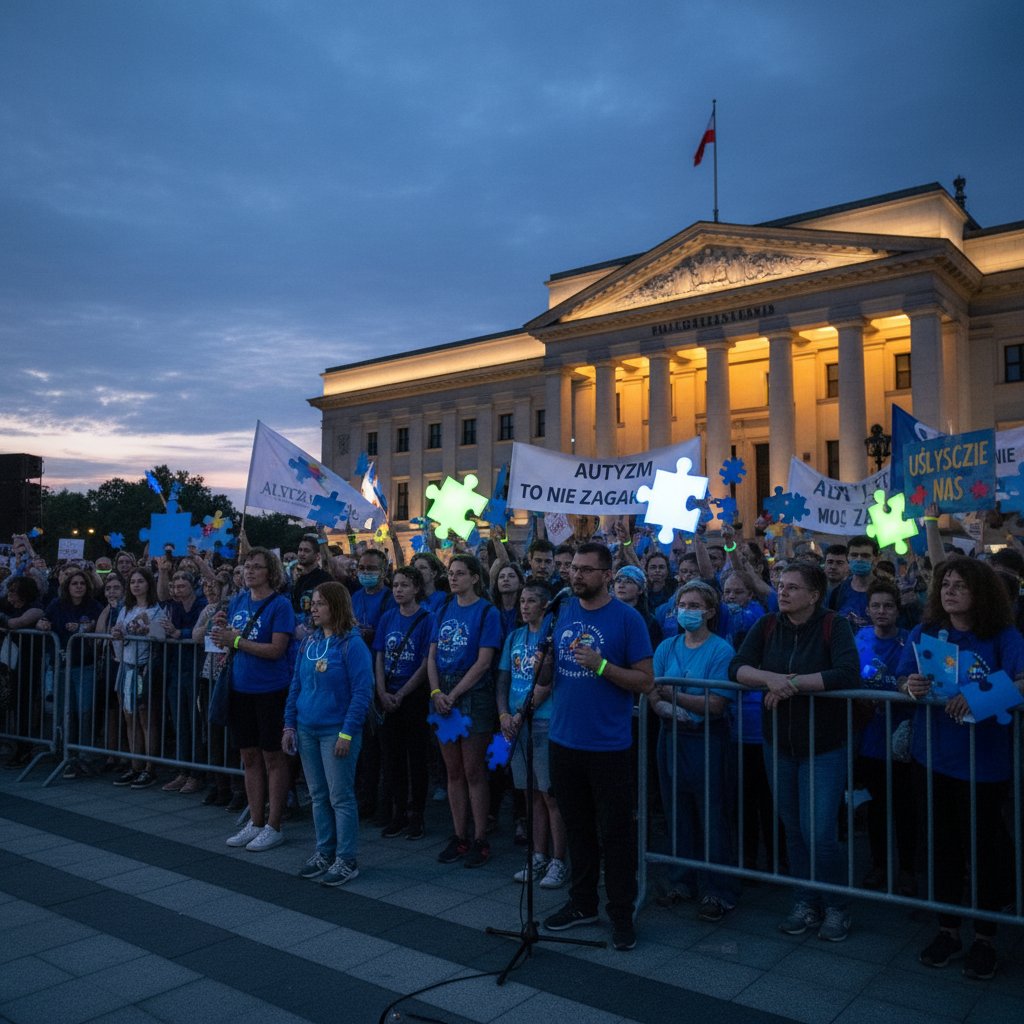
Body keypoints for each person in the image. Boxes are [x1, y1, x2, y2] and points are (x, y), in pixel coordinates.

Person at [898, 557, 1024, 981]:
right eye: (945, 583)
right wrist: (909, 686)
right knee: (941, 847)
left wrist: (980, 695)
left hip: (985, 764)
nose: (949, 590)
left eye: (960, 585)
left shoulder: (1004, 637)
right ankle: (948, 930)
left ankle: (986, 937)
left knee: (983, 851)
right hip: (931, 758)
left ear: (982, 592)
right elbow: (902, 679)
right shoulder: (926, 632)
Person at [730, 562, 860, 943]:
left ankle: (837, 906)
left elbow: (848, 673)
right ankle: (806, 902)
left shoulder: (833, 624)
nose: (782, 592)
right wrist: (770, 679)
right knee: (793, 828)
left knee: (819, 831)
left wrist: (793, 684)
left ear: (814, 594)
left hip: (824, 747)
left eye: (792, 587)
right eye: (780, 585)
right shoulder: (768, 625)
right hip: (779, 745)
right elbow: (736, 667)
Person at [541, 542, 654, 952]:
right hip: (564, 740)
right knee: (578, 828)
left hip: (608, 746)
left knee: (617, 832)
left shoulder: (628, 619)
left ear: (607, 576)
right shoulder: (562, 611)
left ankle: (621, 913)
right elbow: (553, 673)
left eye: (586, 570)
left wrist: (602, 666)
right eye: (573, 568)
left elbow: (645, 681)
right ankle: (583, 903)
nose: (576, 575)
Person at [652, 581, 738, 923]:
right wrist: (667, 706)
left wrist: (671, 696)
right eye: (681, 604)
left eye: (693, 605)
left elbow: (716, 703)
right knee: (677, 811)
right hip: (671, 735)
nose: (686, 610)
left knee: (711, 815)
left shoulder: (720, 651)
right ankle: (681, 881)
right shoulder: (666, 647)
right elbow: (651, 691)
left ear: (710, 612)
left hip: (707, 738)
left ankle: (719, 890)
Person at [284, 582, 373, 886]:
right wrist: (289, 724)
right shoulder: (309, 642)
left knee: (340, 797)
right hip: (308, 729)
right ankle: (325, 851)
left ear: (335, 607)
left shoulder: (352, 644)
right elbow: (296, 684)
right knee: (318, 795)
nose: (313, 608)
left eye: (320, 603)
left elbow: (363, 692)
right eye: (313, 603)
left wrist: (347, 733)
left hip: (336, 731)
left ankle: (347, 858)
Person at [212, 549, 295, 852]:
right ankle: (256, 821)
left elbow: (276, 650)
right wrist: (222, 632)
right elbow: (228, 639)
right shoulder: (237, 601)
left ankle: (274, 824)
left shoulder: (280, 605)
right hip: (240, 688)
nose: (249, 571)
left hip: (270, 691)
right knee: (249, 757)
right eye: (247, 566)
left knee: (273, 757)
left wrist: (236, 640)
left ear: (270, 572)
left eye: (257, 567)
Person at [427, 553, 501, 868]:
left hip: (473, 695)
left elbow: (484, 662)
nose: (453, 578)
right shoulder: (443, 609)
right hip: (444, 694)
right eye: (450, 573)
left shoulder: (487, 612)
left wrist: (454, 694)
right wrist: (436, 692)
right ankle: (459, 835)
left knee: (473, 770)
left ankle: (480, 837)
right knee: (453, 770)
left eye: (459, 573)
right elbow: (431, 656)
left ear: (474, 577)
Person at [496, 581, 568, 890]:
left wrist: (521, 713)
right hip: (514, 724)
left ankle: (559, 860)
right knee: (530, 794)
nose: (524, 606)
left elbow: (547, 683)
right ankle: (537, 855)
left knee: (549, 794)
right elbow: (503, 679)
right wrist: (503, 715)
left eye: (531, 601)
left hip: (542, 720)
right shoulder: (514, 636)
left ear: (545, 605)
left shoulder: (551, 639)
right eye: (522, 601)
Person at [854, 578, 914, 894]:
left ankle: (908, 869)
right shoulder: (859, 637)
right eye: (875, 605)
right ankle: (879, 865)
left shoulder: (909, 642)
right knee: (877, 808)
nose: (881, 611)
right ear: (867, 610)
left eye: (888, 605)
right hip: (870, 739)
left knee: (905, 808)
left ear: (897, 610)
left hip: (902, 739)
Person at [374, 566, 432, 840]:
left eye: (405, 585)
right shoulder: (387, 617)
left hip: (413, 697)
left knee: (416, 758)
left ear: (417, 589)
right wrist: (382, 691)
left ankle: (416, 813)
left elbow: (425, 663)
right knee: (391, 757)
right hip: (388, 694)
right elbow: (380, 654)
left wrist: (402, 694)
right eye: (395, 585)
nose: (398, 590)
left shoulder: (427, 618)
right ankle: (397, 812)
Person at [37, 568, 103, 778]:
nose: (78, 587)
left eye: (82, 583)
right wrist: (42, 624)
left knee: (84, 712)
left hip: (85, 665)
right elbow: (42, 620)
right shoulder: (58, 604)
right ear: (68, 586)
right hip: (63, 665)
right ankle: (69, 756)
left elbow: (100, 627)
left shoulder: (93, 606)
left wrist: (90, 627)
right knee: (67, 713)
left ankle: (85, 757)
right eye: (74, 583)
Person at [111, 567, 169, 789]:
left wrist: (146, 630)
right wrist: (118, 635)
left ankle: (149, 768)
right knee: (129, 716)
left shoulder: (156, 610)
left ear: (148, 585)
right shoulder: (126, 609)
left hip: (144, 667)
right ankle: (135, 766)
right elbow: (120, 637)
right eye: (132, 582)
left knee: (146, 718)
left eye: (140, 581)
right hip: (126, 665)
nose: (136, 585)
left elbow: (160, 637)